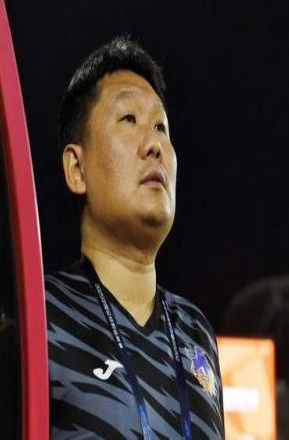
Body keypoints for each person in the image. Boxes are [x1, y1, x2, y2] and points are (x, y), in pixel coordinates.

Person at [46, 36, 225, 439]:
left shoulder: (196, 333)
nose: (155, 144)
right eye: (129, 119)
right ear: (77, 169)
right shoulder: (41, 315)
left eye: (161, 126)